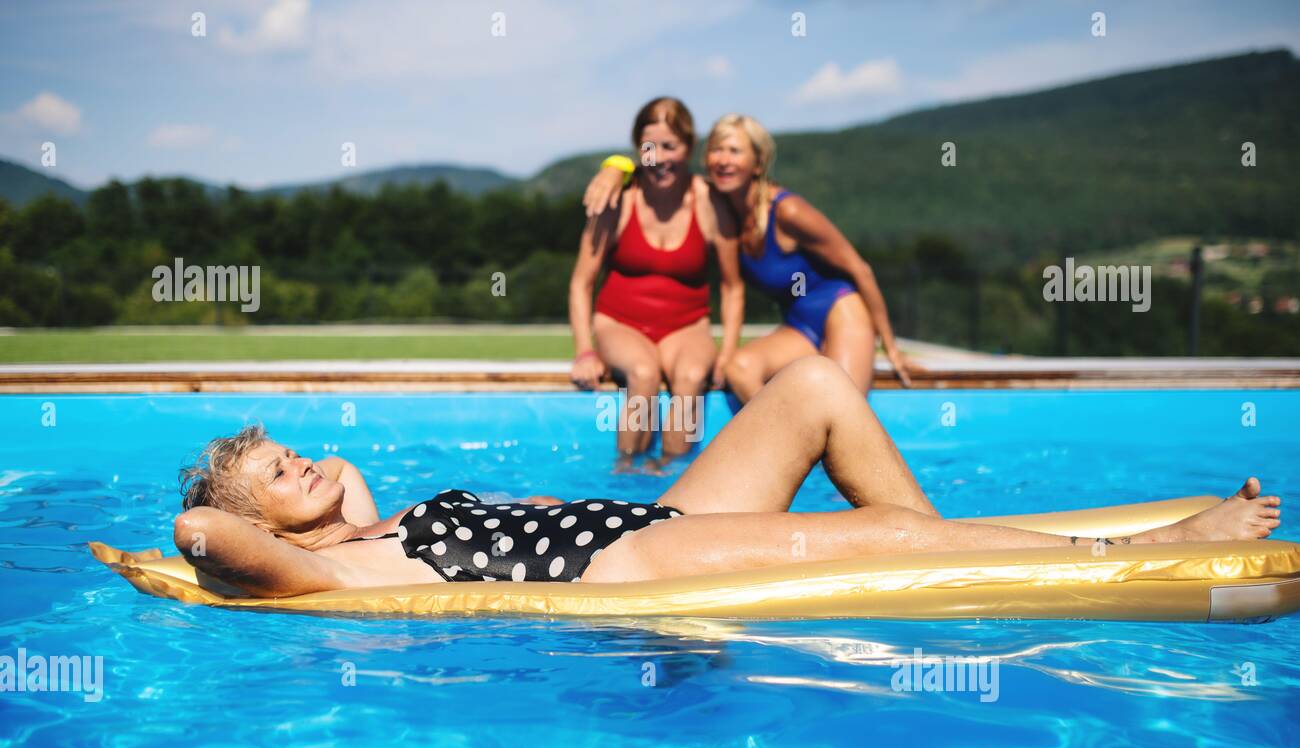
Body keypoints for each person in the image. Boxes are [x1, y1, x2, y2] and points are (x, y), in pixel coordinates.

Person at [172, 356, 1281, 597]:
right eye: (282, 469)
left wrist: (283, 478)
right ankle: (1118, 560)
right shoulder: (318, 573)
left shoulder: (369, 519)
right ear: (262, 517)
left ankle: (967, 564)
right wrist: (212, 517)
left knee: (809, 387)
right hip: (623, 560)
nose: (311, 462)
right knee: (884, 542)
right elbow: (216, 545)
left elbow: (346, 478)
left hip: (644, 512)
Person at [584, 113, 917, 403]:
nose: (724, 159)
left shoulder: (787, 210)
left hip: (842, 312)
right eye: (716, 149)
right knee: (739, 370)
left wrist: (890, 347)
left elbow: (861, 269)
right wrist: (616, 167)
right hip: (799, 325)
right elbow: (660, 170)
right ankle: (791, 443)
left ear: (757, 164)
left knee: (841, 407)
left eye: (735, 151)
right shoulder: (718, 206)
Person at [568, 97, 744, 470]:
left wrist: (727, 352)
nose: (658, 157)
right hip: (620, 321)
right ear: (636, 149)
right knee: (643, 375)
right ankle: (624, 474)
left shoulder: (710, 202)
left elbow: (732, 286)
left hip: (687, 324)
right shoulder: (617, 200)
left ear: (688, 148)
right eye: (648, 147)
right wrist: (585, 351)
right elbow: (582, 283)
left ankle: (671, 476)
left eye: (670, 146)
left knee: (692, 377)